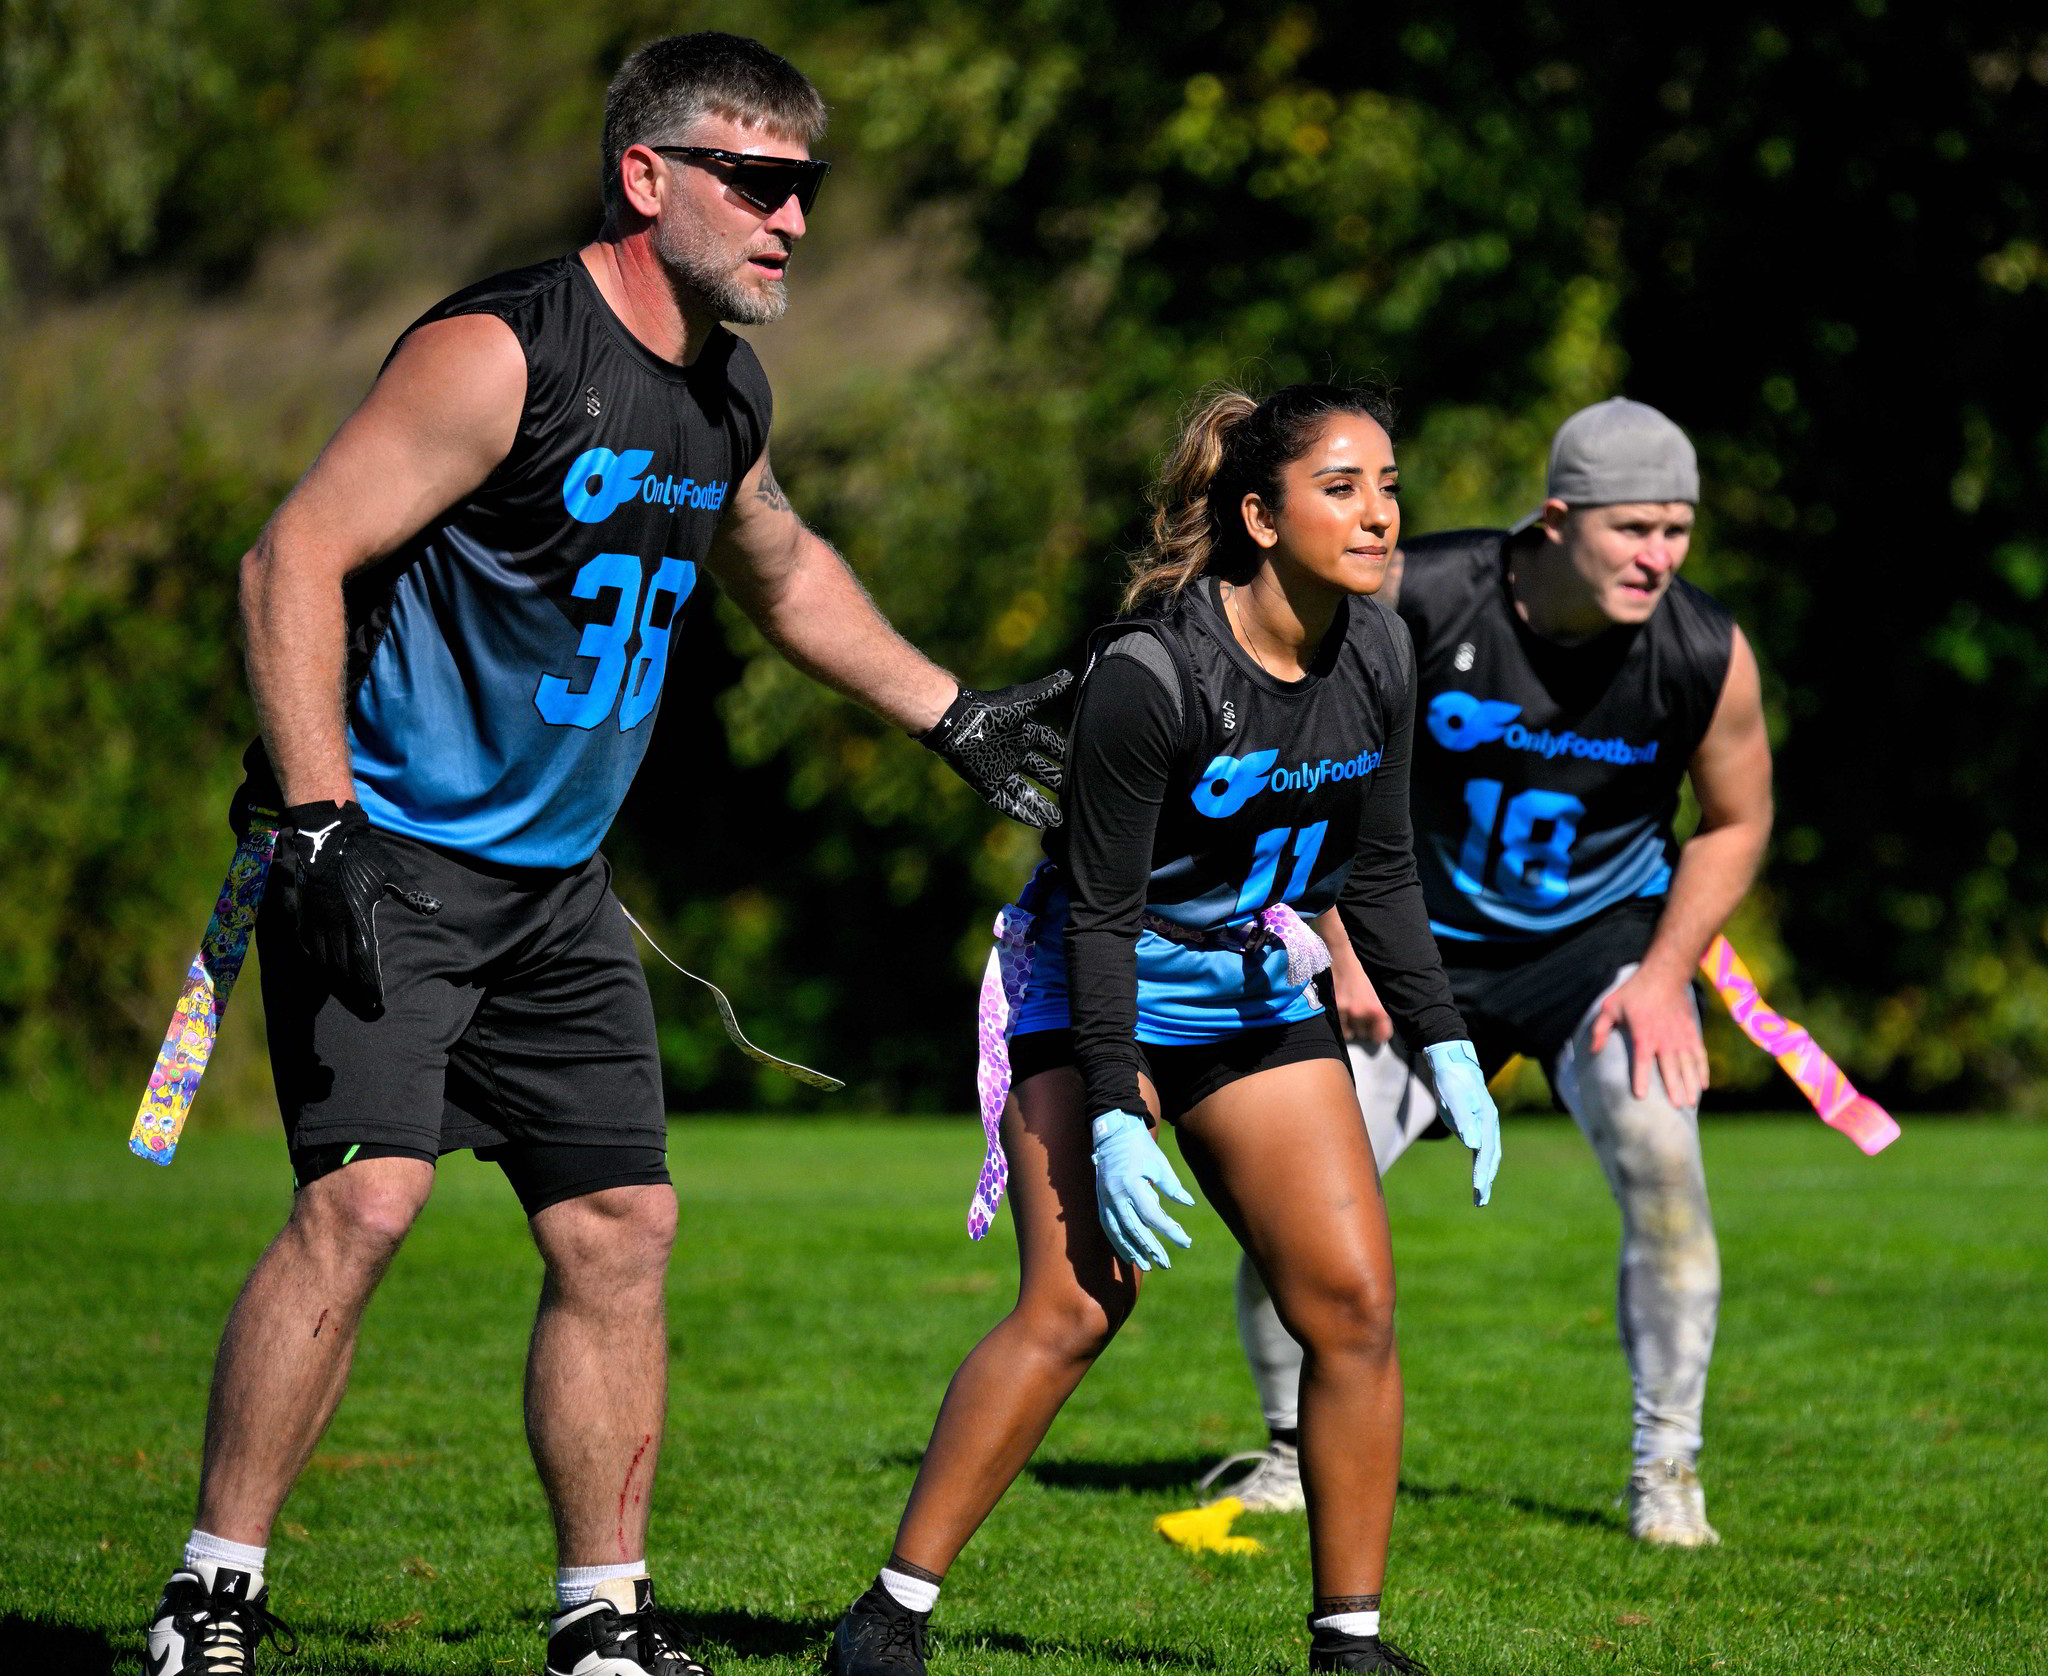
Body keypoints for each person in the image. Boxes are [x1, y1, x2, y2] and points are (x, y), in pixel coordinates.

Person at [139, 32, 1068, 1676]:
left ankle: (603, 1623)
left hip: (557, 891)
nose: (789, 220)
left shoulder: (722, 388)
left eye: (806, 189)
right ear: (646, 179)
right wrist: (314, 820)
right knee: (364, 1206)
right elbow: (288, 557)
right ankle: (211, 1595)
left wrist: (955, 719)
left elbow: (778, 571)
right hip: (391, 861)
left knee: (623, 1225)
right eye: (754, 180)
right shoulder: (506, 353)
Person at [823, 384, 1503, 1676]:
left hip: (1244, 989)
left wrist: (1446, 1043)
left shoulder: (1381, 650)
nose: (1379, 514)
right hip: (1093, 986)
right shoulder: (1153, 672)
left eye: (1390, 485)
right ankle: (888, 1618)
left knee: (1354, 1307)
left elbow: (1380, 871)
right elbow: (1099, 914)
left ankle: (1349, 1646)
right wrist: (1122, 1112)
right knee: (1080, 1305)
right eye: (1342, 487)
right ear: (1258, 514)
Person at [1204, 398, 1773, 1549]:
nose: (1658, 557)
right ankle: (1283, 1447)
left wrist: (1664, 973)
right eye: (1632, 530)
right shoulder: (1417, 594)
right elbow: (1300, 752)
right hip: (1408, 941)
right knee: (1294, 1206)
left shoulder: (1701, 648)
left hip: (1596, 953)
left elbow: (1734, 819)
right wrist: (1341, 939)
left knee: (1666, 1169)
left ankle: (1666, 1468)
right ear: (1558, 519)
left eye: (1676, 530)